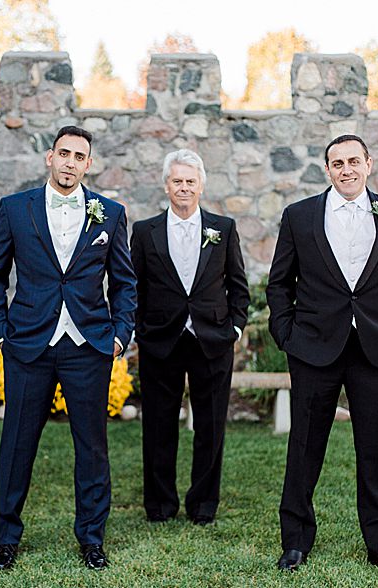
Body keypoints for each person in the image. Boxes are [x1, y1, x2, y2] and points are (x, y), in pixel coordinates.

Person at [0, 125, 136, 571]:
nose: (70, 162)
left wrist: (120, 334)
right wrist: (0, 332)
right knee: (16, 445)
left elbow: (124, 282)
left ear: (89, 164)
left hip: (88, 345)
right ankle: (5, 539)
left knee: (92, 447)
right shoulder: (15, 209)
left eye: (79, 156)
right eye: (63, 153)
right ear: (50, 157)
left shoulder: (109, 212)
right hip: (27, 343)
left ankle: (92, 538)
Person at [266, 134, 378, 573]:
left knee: (375, 448)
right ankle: (295, 541)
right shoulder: (299, 216)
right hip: (314, 347)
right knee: (304, 446)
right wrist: (287, 335)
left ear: (369, 164)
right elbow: (279, 284)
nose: (346, 170)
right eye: (337, 163)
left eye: (354, 161)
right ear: (328, 169)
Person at [130, 148, 250, 526]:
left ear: (201, 186)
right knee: (158, 426)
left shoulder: (223, 228)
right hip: (160, 342)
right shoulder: (144, 231)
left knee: (211, 427)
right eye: (177, 181)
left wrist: (234, 327)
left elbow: (238, 285)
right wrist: (139, 330)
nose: (184, 187)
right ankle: (160, 505)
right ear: (166, 185)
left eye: (190, 181)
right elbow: (134, 287)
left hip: (211, 340)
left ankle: (203, 505)